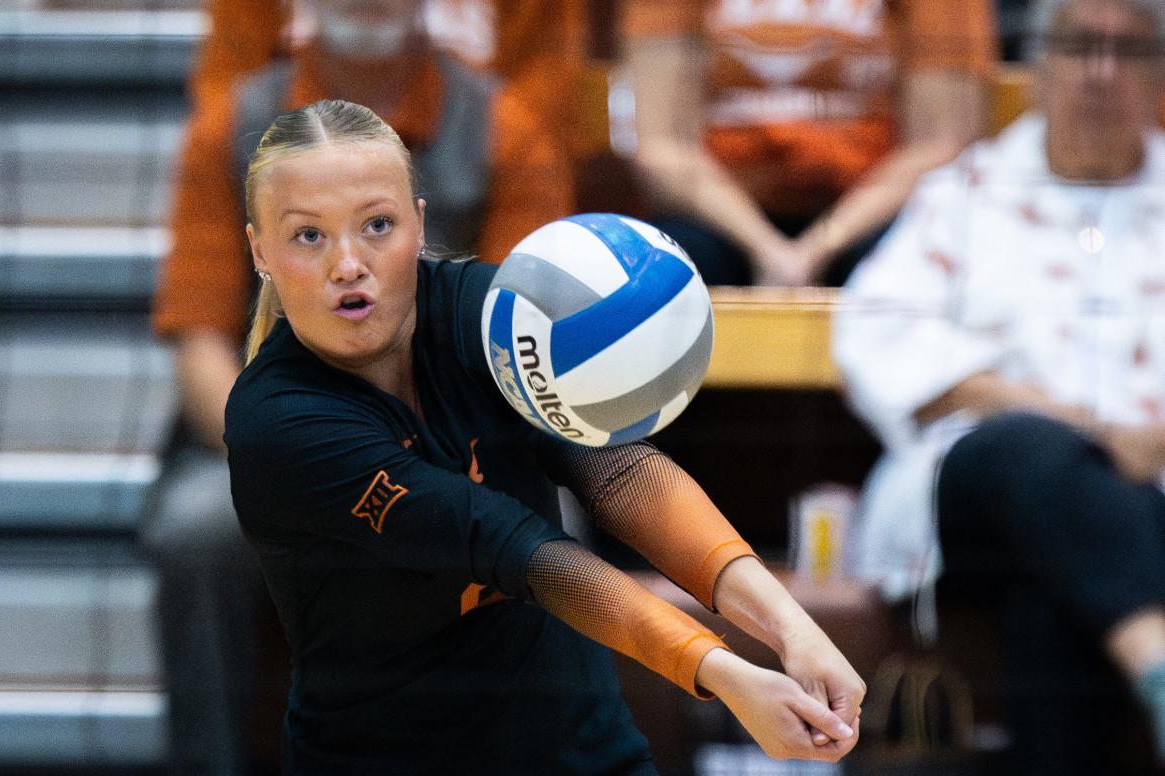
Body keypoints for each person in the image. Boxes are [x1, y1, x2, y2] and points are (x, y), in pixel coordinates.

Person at [225, 97, 864, 774]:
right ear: (260, 249)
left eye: (376, 225)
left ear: (418, 223)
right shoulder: (280, 423)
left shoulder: (490, 312)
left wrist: (791, 629)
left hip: (581, 750)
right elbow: (516, 551)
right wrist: (726, 674)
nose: (348, 263)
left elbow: (615, 472)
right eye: (308, 236)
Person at [144, 2, 574, 773]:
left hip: (457, 442)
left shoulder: (505, 126)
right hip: (283, 444)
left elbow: (522, 346)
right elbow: (201, 347)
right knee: (193, 528)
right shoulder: (229, 126)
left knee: (562, 513)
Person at [833, 0, 1165, 772]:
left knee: (1055, 582)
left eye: (1130, 49)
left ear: (1159, 70)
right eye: (1079, 45)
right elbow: (878, 335)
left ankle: (1146, 656)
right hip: (975, 495)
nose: (1101, 71)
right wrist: (1071, 425)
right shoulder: (965, 195)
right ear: (1038, 62)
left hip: (1139, 505)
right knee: (1032, 452)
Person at [615, 0, 997, 286]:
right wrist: (765, 248)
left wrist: (821, 245)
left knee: (914, 267)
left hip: (872, 208)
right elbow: (663, 145)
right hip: (718, 211)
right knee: (661, 275)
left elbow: (942, 142)